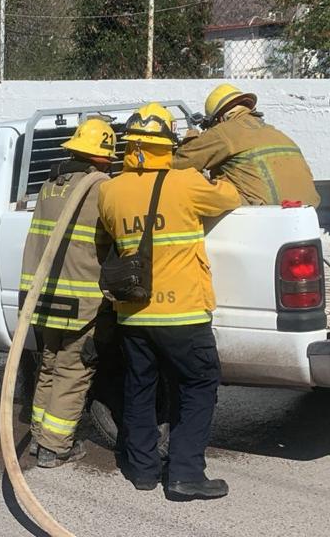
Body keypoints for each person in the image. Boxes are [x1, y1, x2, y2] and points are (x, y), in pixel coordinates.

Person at [98, 103, 240, 500]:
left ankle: (142, 469)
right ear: (167, 146)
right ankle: (184, 473)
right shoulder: (186, 182)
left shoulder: (110, 192)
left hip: (132, 313)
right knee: (198, 384)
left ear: (130, 146)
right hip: (183, 312)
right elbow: (229, 197)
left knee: (140, 387)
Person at [21, 117, 117, 468]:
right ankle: (55, 447)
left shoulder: (51, 184)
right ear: (104, 156)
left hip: (43, 297)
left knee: (48, 365)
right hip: (82, 301)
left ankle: (38, 437)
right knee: (73, 371)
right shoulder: (101, 187)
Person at [174, 84, 320, 207]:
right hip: (307, 212)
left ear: (218, 118)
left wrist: (190, 139)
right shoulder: (276, 132)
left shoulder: (223, 131)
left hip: (260, 215)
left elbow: (179, 163)